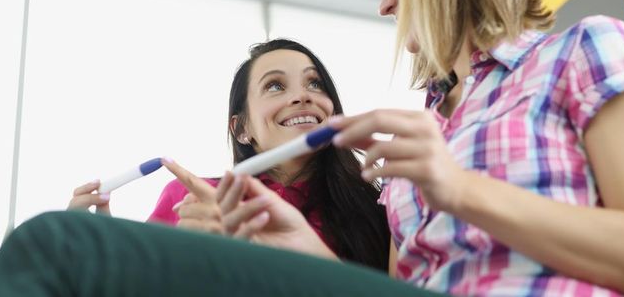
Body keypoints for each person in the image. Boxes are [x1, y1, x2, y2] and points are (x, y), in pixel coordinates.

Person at [0, 0, 624, 296]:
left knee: (61, 248)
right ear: (239, 125)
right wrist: (303, 248)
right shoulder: (420, 136)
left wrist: (456, 188)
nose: (381, 5)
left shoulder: (580, 49)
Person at [65, 38, 391, 270]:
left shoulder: (375, 207)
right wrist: (99, 253)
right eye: (275, 86)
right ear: (241, 129)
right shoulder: (191, 198)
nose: (302, 96)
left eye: (315, 84)